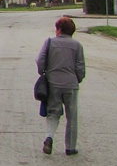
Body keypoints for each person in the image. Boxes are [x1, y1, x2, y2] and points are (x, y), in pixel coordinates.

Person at [37, 16, 86, 155]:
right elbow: (80, 67)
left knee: (53, 113)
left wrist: (44, 73)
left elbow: (40, 61)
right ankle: (70, 147)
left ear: (59, 29)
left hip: (53, 84)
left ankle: (49, 136)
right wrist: (77, 79)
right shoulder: (77, 45)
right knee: (72, 116)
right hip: (71, 84)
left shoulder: (49, 42)